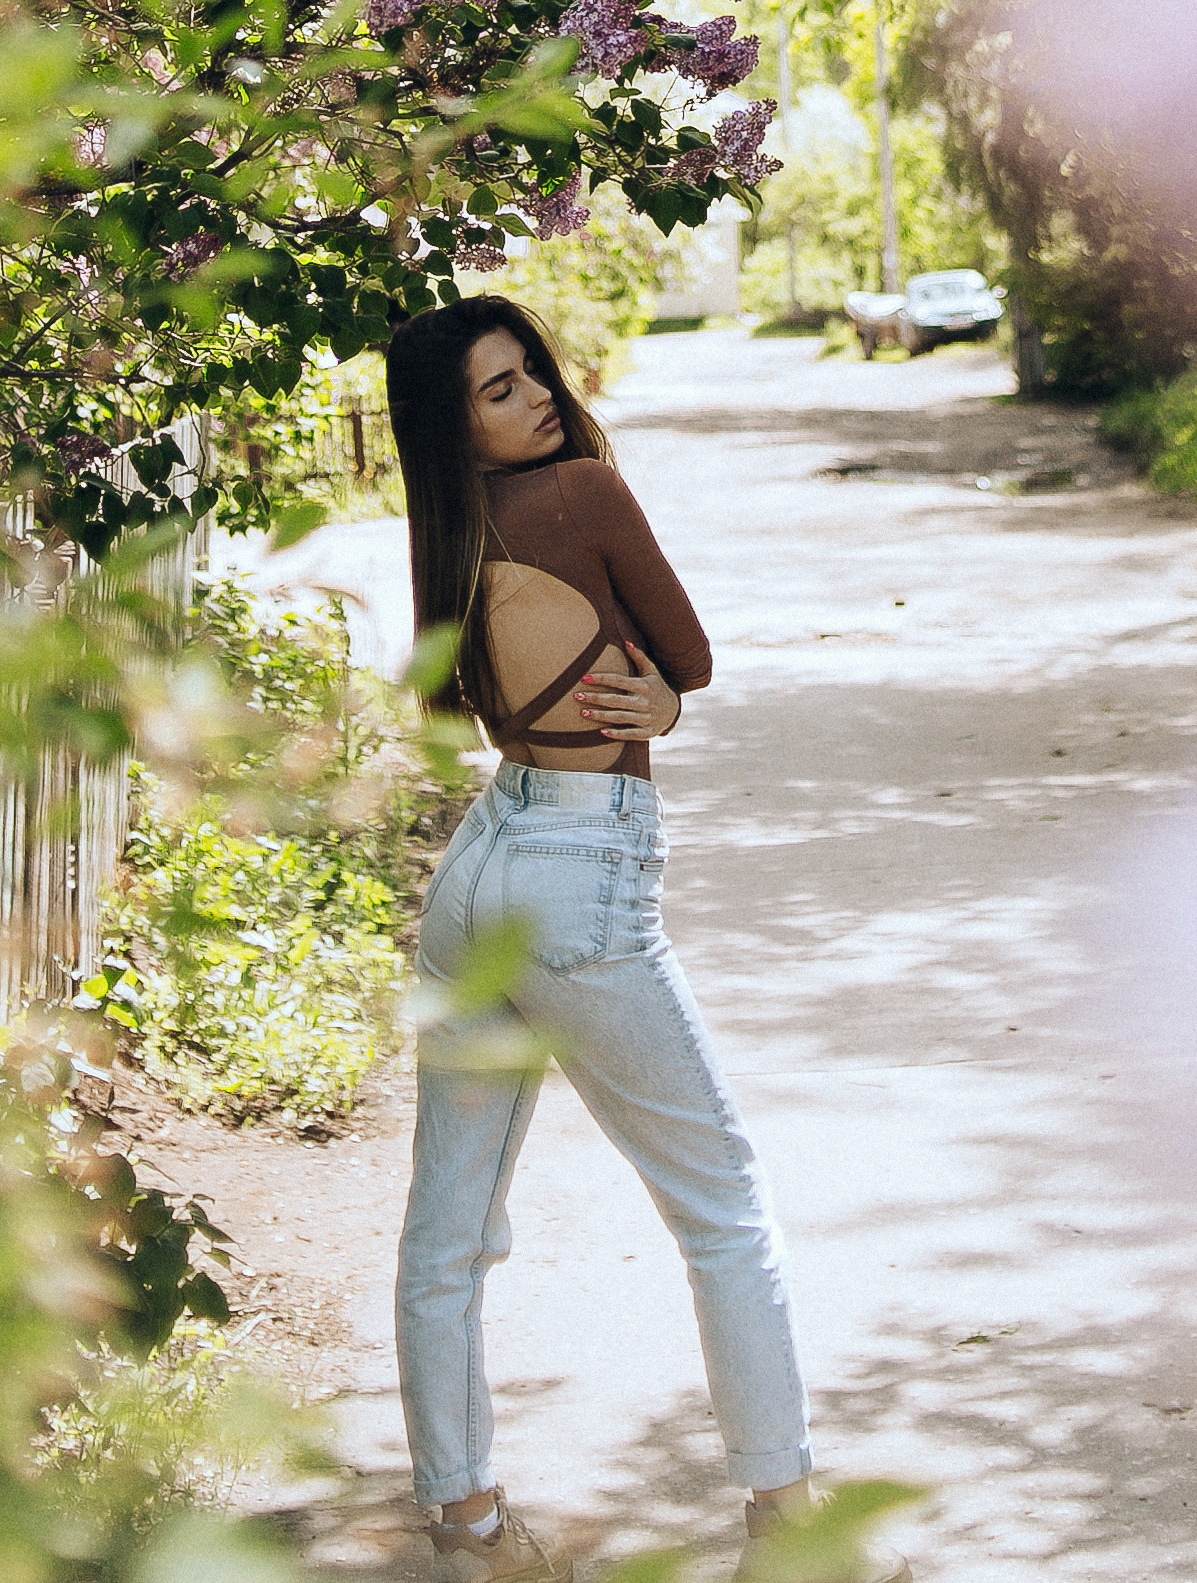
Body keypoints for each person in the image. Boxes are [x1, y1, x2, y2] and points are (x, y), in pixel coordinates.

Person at [383, 295, 907, 1583]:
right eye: (496, 394)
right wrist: (661, 696)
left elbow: (465, 697)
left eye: (530, 375)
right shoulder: (582, 496)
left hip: (479, 866)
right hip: (580, 877)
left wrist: (650, 698)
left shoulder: (452, 534)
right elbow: (692, 653)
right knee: (724, 1207)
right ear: (459, 432)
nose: (536, 399)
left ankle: (469, 1532)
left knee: (446, 1236)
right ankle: (791, 1540)